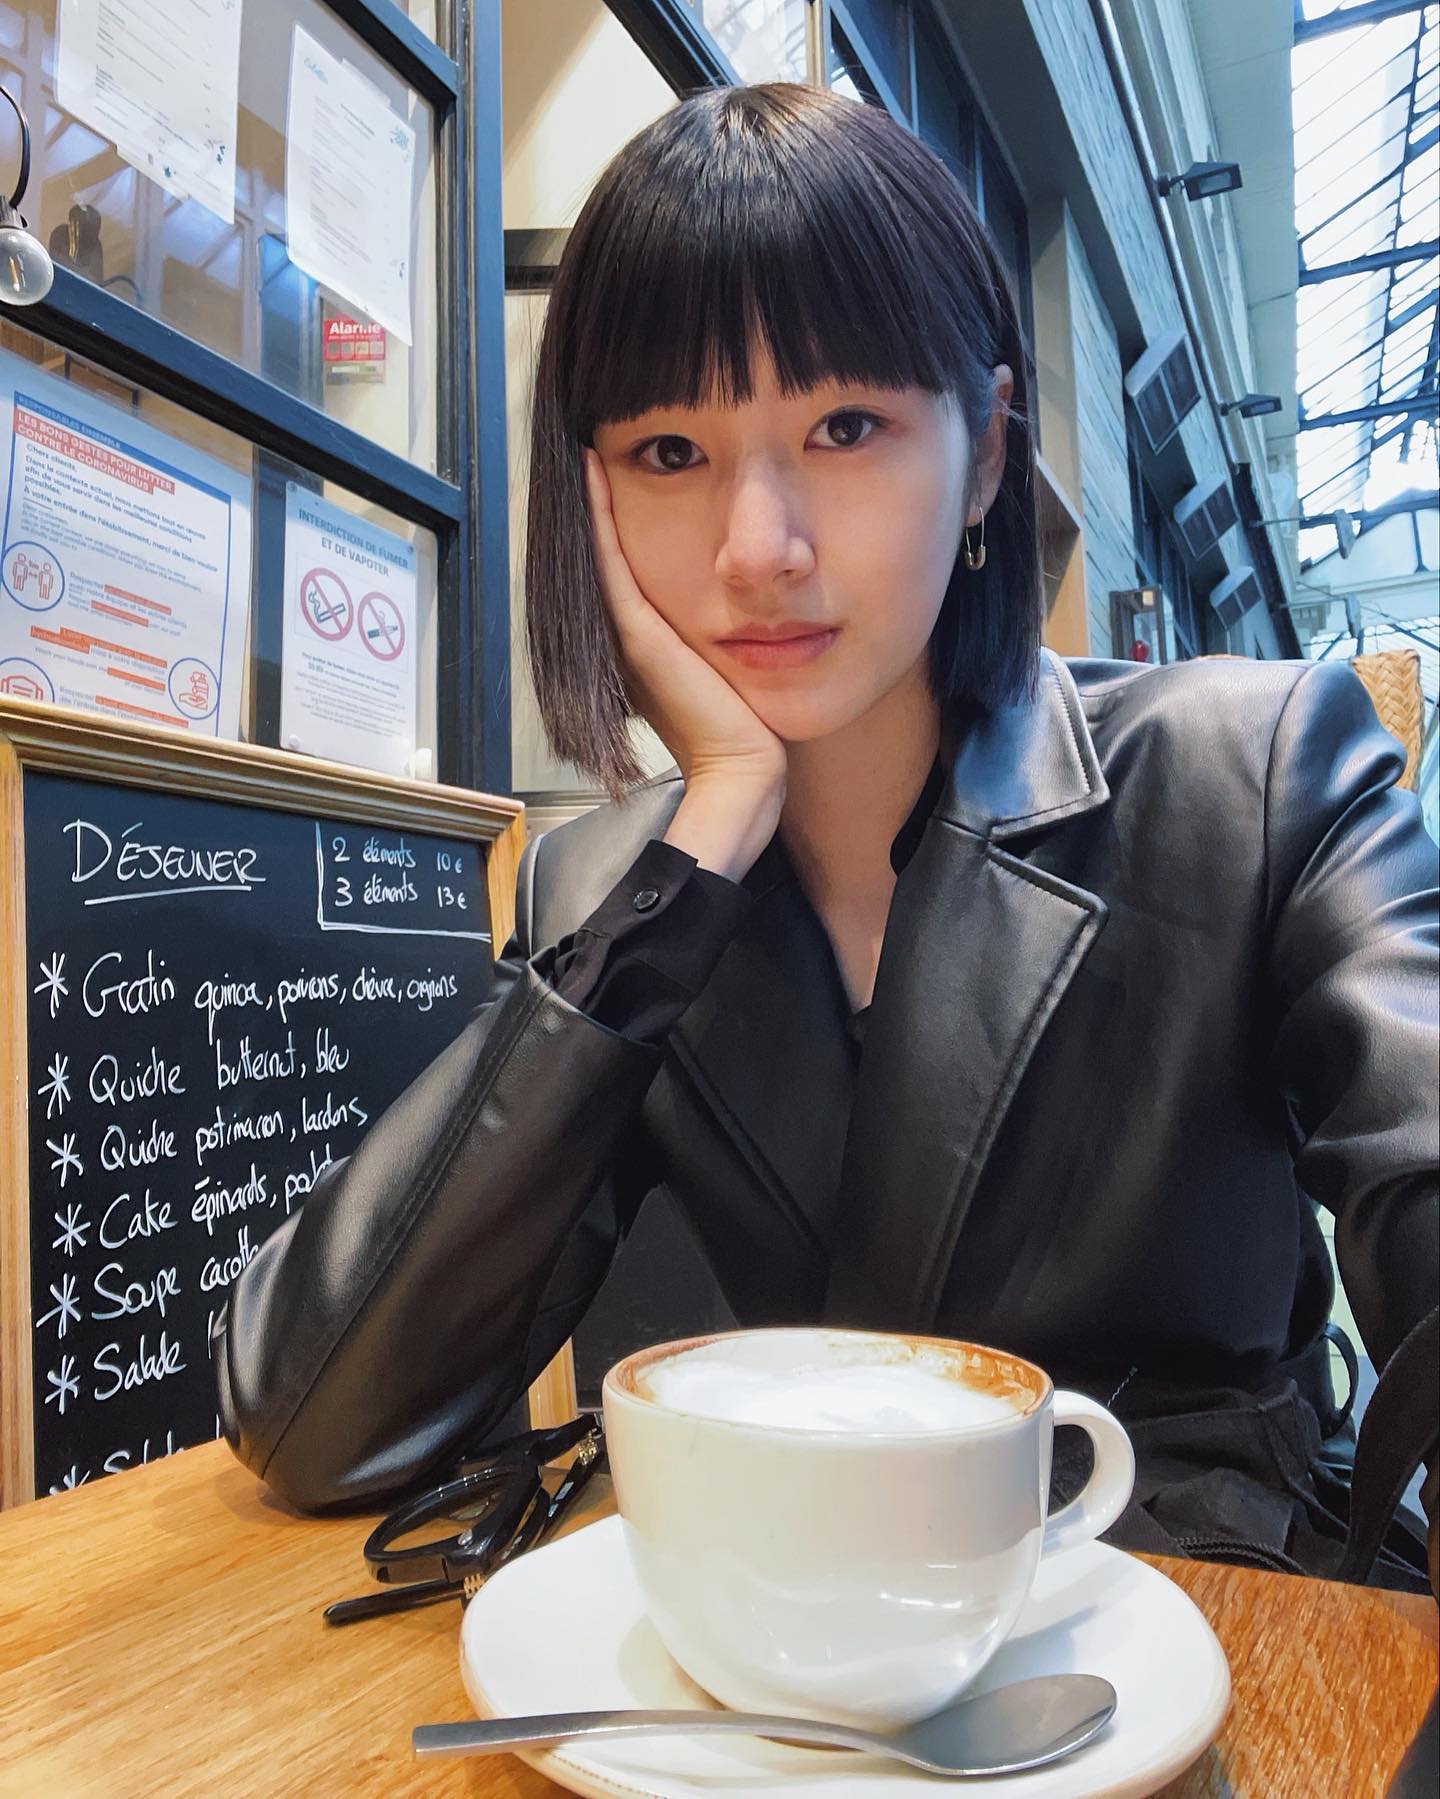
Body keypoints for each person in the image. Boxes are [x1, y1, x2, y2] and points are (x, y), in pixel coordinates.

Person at [213, 83, 1437, 1591]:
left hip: (1213, 1614)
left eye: (845, 427)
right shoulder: (614, 888)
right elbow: (317, 1417)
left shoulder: (1251, 768)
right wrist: (706, 833)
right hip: (800, 1644)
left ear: (986, 450)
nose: (758, 549)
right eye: (669, 451)